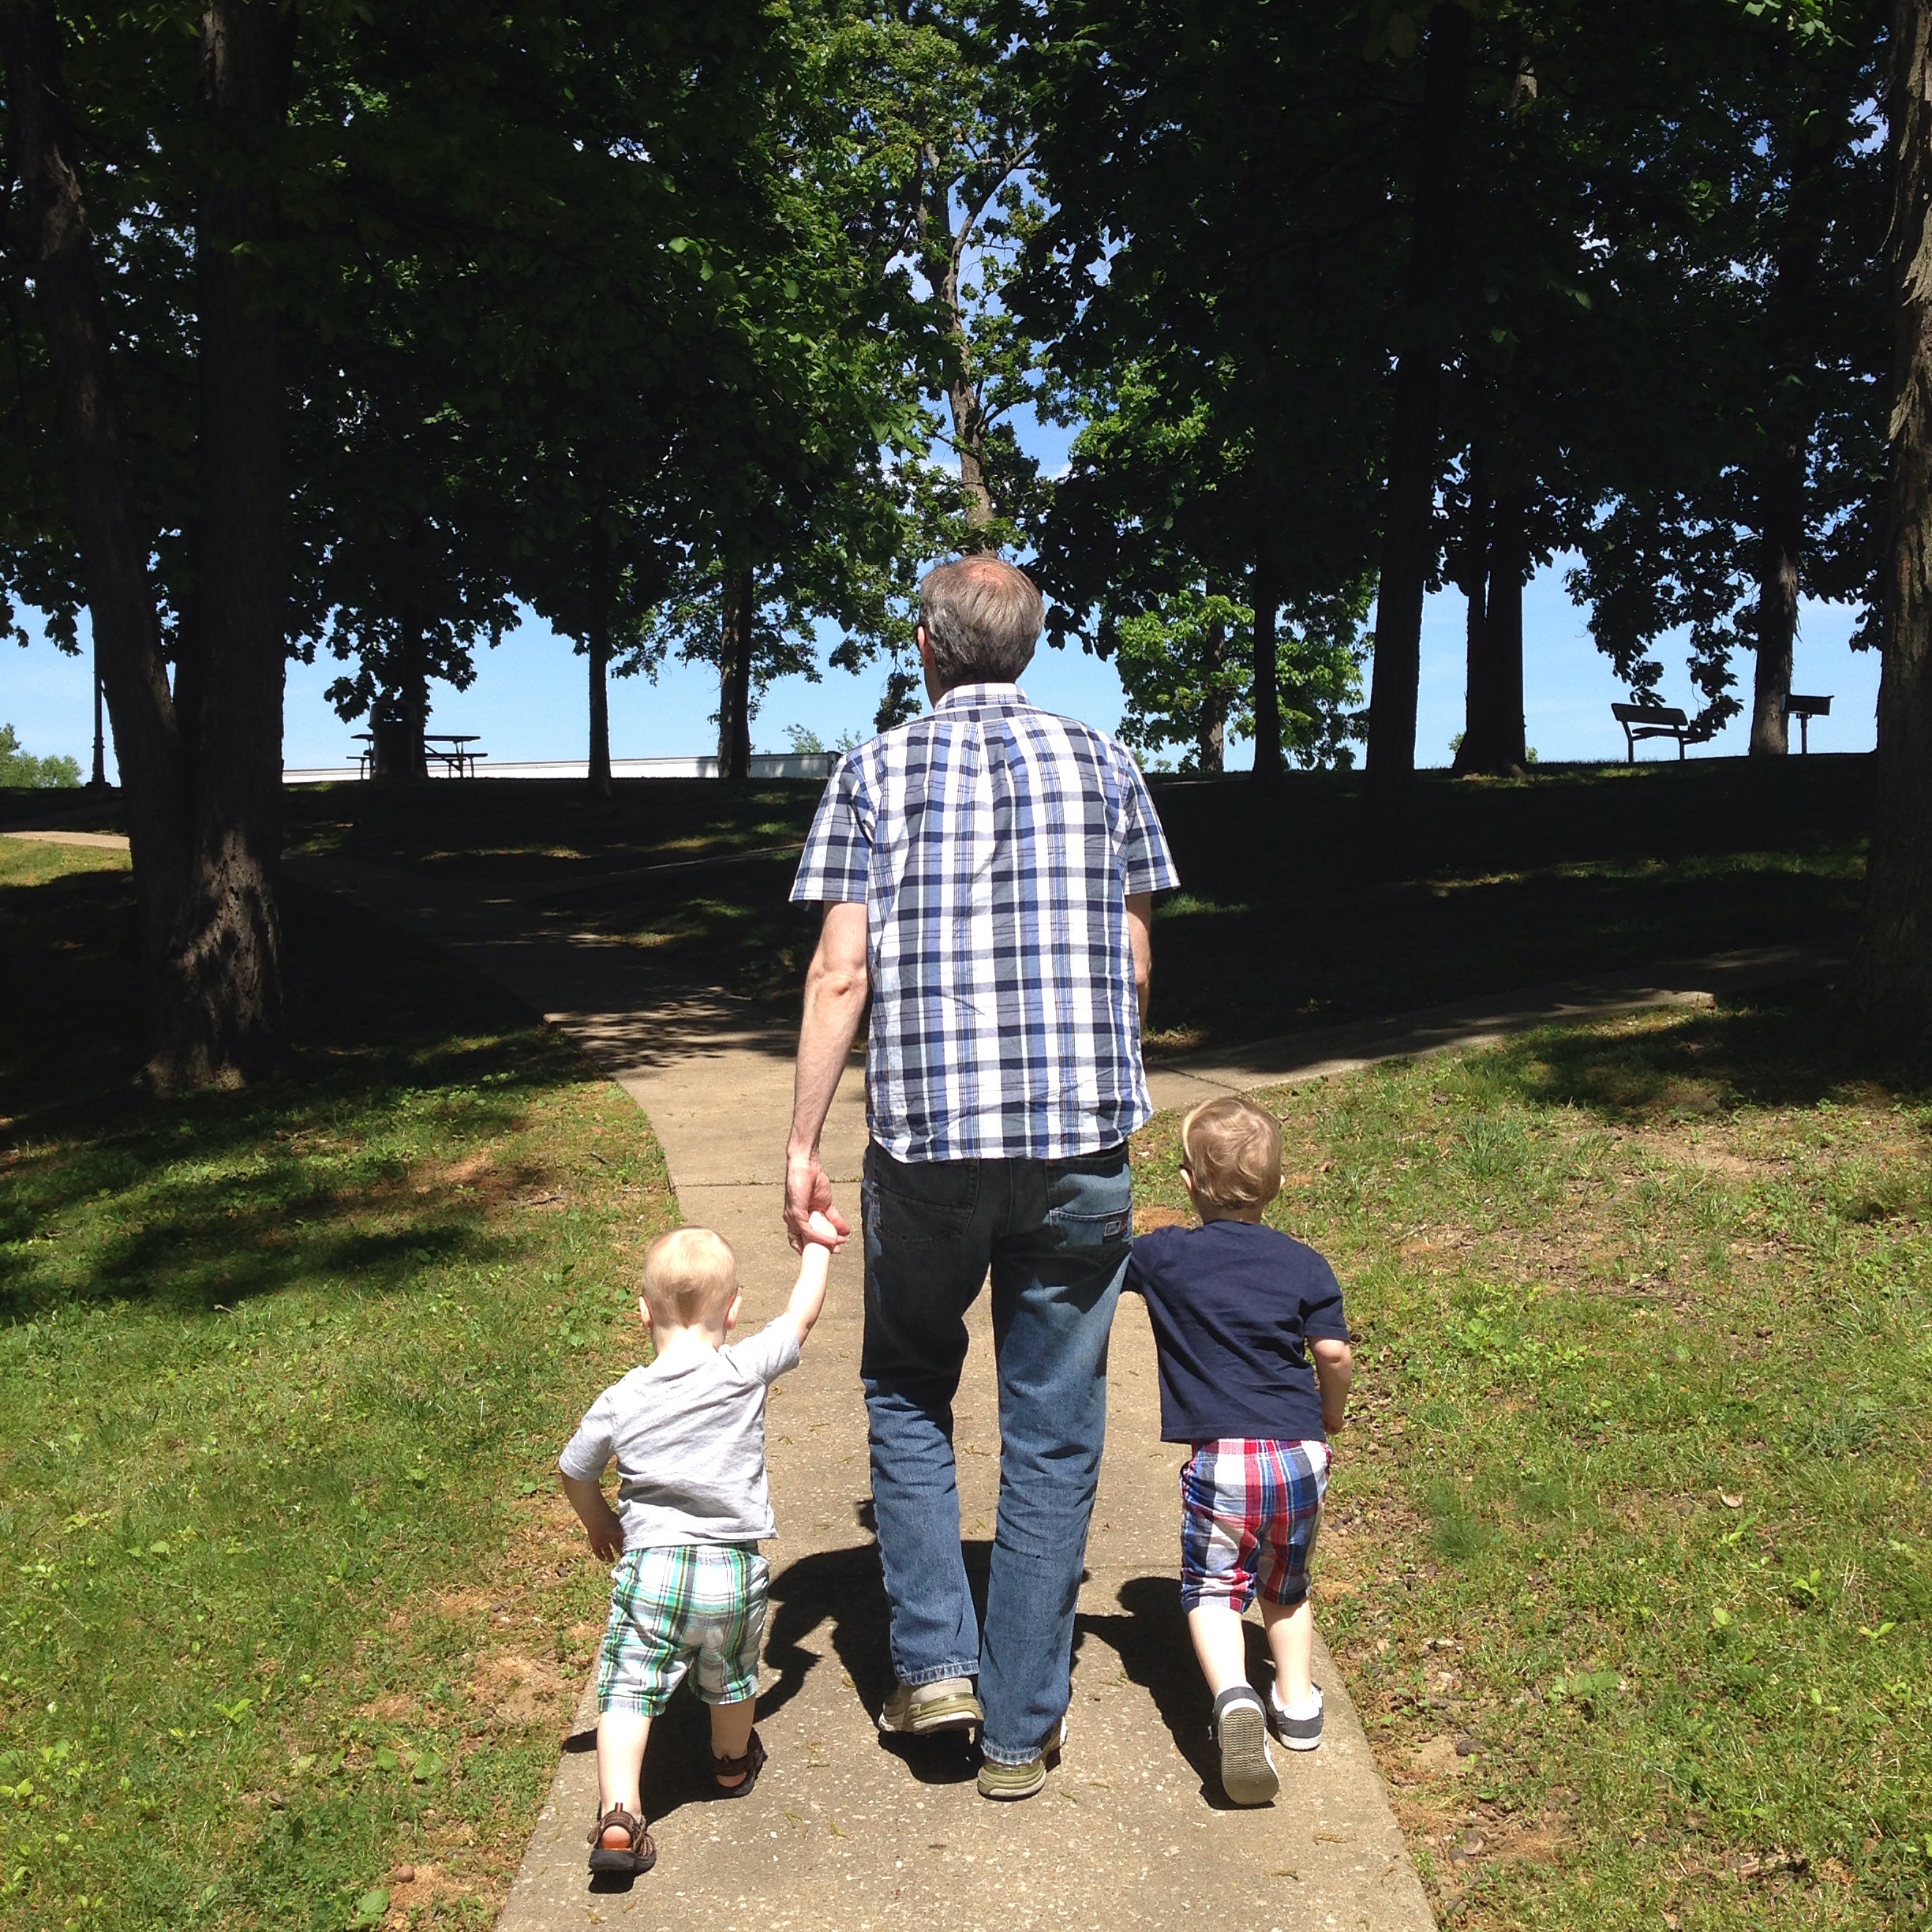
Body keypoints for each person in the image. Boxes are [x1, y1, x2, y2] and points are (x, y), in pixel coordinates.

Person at [784, 555, 1179, 1799]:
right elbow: (1134, 957)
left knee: (909, 1385)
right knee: (1054, 1424)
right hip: (1078, 1146)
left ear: (926, 648)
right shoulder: (1107, 761)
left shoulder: (873, 769)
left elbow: (840, 970)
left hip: (929, 1152)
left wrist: (800, 1143)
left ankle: (936, 1669)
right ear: (1030, 646)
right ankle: (1022, 1729)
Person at [559, 1215, 842, 1875]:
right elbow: (800, 1318)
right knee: (733, 1675)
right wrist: (818, 1248)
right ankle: (730, 1764)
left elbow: (574, 1469)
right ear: (734, 1310)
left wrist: (600, 1521)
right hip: (731, 1570)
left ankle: (620, 1817)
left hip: (653, 1569)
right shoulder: (742, 1370)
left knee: (627, 1688)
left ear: (642, 1312)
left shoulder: (622, 1398)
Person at [1124, 1095, 1354, 1806]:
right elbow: (1333, 1353)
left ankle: (1233, 1696)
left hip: (1225, 1459)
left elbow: (1100, 1267)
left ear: (1189, 1184)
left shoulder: (1165, 1256)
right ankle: (1298, 1705)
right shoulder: (1305, 1264)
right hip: (1301, 1455)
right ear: (1278, 1185)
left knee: (1214, 1590)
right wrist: (1331, 1415)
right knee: (1288, 1583)